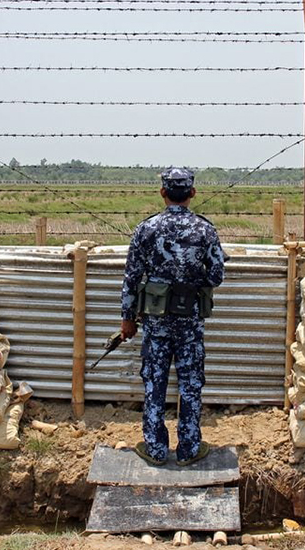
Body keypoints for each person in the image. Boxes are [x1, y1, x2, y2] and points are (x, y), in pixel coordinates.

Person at [120, 167, 226, 467]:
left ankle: (154, 449)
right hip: (190, 322)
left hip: (155, 322)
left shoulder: (147, 229)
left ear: (163, 193)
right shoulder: (205, 230)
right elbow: (217, 275)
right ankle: (189, 449)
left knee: (154, 381)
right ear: (192, 193)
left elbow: (131, 279)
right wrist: (190, 284)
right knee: (190, 383)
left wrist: (127, 318)